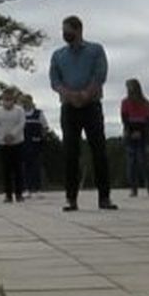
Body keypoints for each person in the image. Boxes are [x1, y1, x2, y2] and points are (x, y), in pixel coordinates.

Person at [50, 16, 117, 212]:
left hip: (92, 106)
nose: (65, 34)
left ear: (78, 30)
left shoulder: (95, 50)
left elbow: (100, 74)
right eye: (63, 31)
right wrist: (68, 95)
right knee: (70, 153)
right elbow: (55, 80)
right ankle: (71, 198)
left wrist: (87, 94)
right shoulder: (58, 55)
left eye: (68, 30)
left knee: (99, 151)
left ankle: (104, 197)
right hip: (69, 108)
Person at [119, 79, 149, 198]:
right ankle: (133, 189)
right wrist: (131, 132)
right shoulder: (125, 102)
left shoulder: (145, 102)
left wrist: (142, 132)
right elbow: (124, 118)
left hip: (143, 134)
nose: (130, 89)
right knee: (131, 162)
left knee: (144, 161)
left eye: (131, 86)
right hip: (130, 133)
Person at [0, 88, 26, 202]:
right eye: (5, 99)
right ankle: (8, 194)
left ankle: (19, 194)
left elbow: (21, 123)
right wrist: (3, 137)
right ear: (2, 99)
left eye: (9, 99)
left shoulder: (19, 110)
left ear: (13, 99)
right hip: (3, 144)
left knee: (18, 170)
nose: (7, 101)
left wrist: (12, 135)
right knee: (6, 170)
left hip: (17, 143)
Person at [21, 94, 48, 197]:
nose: (26, 103)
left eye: (28, 101)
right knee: (24, 167)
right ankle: (26, 189)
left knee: (36, 166)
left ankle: (37, 189)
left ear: (32, 101)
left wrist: (42, 138)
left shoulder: (39, 113)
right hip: (23, 143)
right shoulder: (20, 114)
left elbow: (44, 127)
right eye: (24, 101)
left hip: (36, 144)